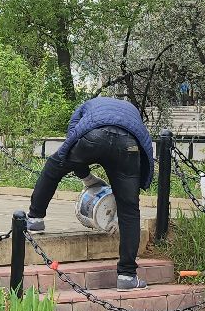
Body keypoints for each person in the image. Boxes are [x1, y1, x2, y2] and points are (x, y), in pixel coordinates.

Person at [26, 97, 153, 289]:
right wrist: (130, 197)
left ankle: (35, 219)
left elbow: (72, 138)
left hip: (93, 137)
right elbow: (145, 145)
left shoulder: (86, 106)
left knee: (53, 167)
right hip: (128, 144)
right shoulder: (132, 111)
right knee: (130, 211)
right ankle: (127, 276)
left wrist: (84, 175)